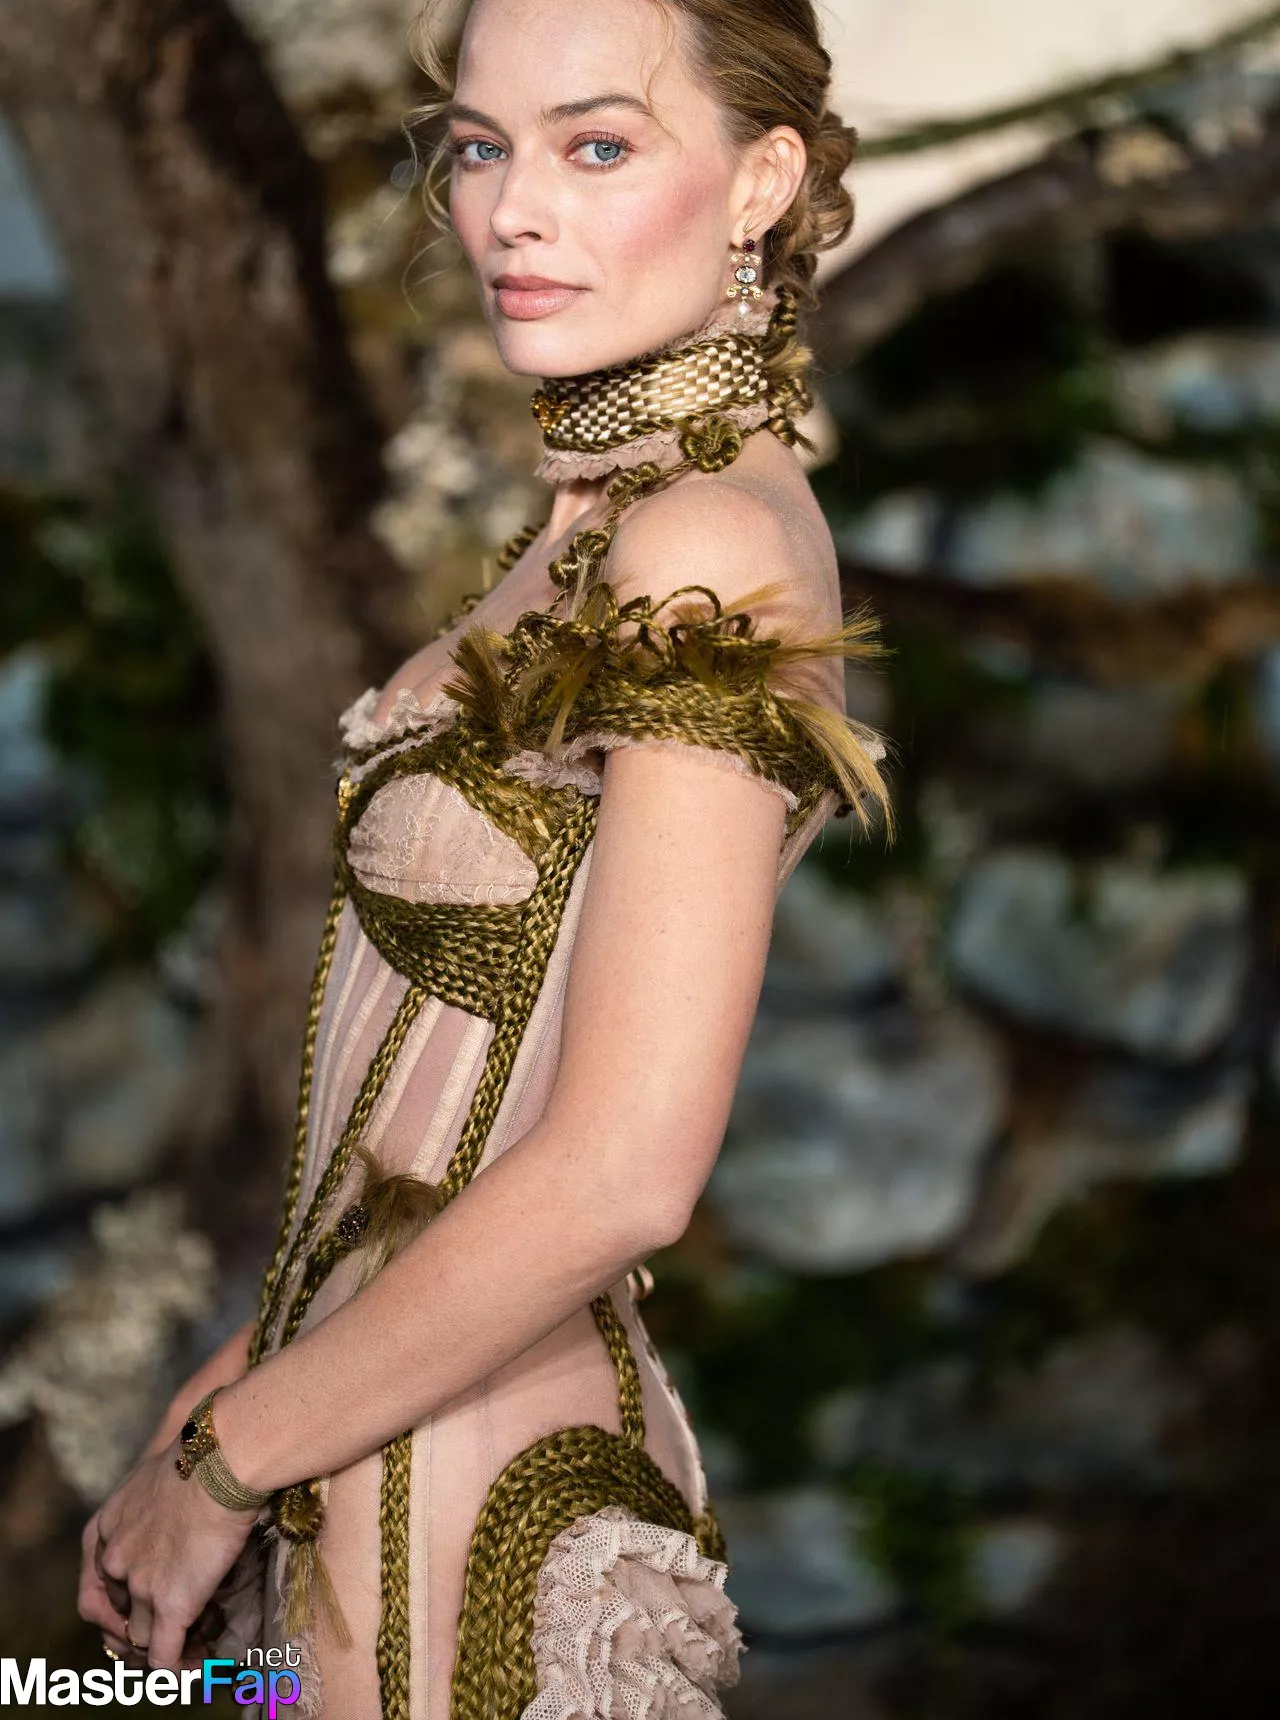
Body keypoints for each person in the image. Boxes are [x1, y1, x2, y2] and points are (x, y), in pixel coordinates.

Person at [77, 0, 891, 1714]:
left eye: (597, 145)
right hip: (354, 1445)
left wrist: (221, 1463)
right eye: (479, 146)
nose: (512, 210)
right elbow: (417, 1127)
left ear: (761, 183)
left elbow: (623, 1171)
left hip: (470, 1526)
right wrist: (221, 1397)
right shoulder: (593, 523)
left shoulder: (705, 540)